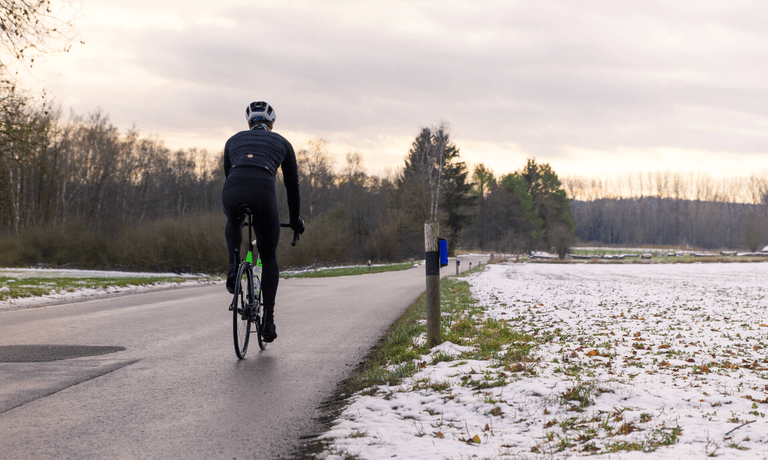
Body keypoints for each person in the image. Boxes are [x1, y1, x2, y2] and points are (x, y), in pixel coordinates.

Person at [222, 101, 303, 343]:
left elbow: (230, 173)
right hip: (263, 192)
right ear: (272, 123)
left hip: (233, 189)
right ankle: (268, 320)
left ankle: (233, 266)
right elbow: (292, 186)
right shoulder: (282, 142)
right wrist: (295, 219)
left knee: (234, 217)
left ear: (248, 123)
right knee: (268, 255)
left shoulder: (233, 140)